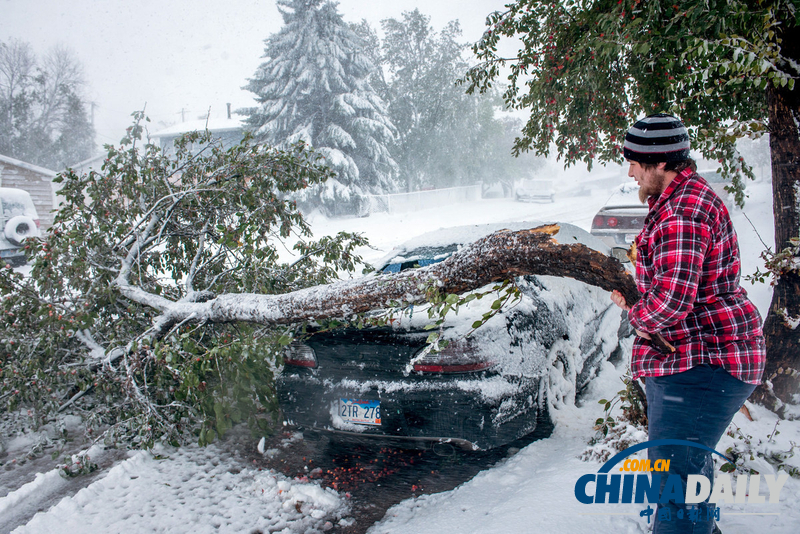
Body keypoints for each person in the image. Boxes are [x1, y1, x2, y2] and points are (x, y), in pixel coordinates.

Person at [610, 113, 765, 534]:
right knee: (684, 484)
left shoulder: (682, 210)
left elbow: (674, 300)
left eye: (635, 163)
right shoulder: (681, 202)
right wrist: (640, 298)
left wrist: (638, 314)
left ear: (661, 163)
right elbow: (674, 286)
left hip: (702, 365)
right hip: (693, 362)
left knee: (677, 491)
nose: (630, 172)